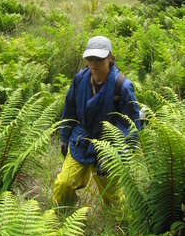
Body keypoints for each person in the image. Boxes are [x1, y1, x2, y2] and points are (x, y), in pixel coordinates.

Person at [52, 35, 141, 208]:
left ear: (110, 58)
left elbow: (131, 125)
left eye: (99, 58)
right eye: (90, 58)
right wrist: (64, 136)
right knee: (64, 184)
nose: (93, 63)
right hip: (81, 140)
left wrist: (116, 156)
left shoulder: (122, 86)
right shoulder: (80, 79)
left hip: (109, 146)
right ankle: (66, 214)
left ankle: (119, 225)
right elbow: (69, 109)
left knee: (113, 197)